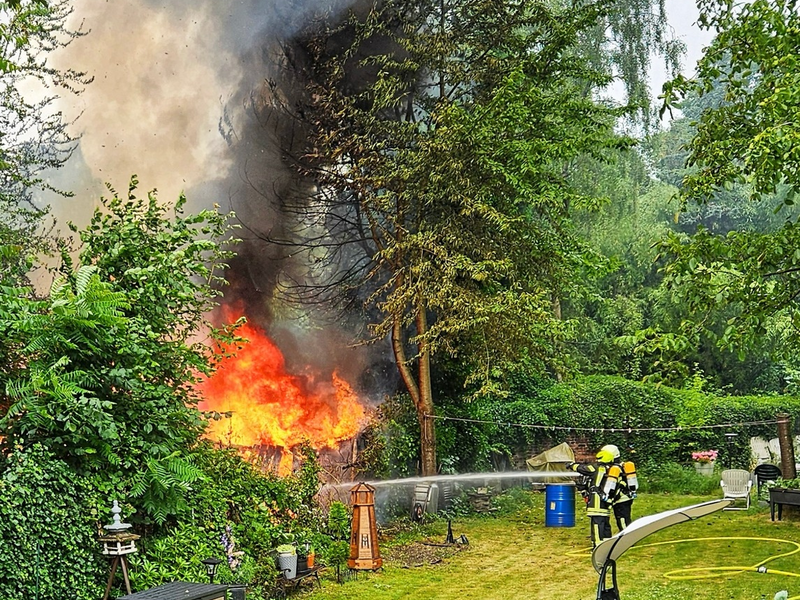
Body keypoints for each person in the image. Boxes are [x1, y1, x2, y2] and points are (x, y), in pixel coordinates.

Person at [568, 449, 613, 548]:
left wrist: (571, 465)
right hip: (606, 500)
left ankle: (598, 546)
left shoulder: (596, 468)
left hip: (597, 500)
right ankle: (608, 545)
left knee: (597, 524)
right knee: (605, 523)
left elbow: (582, 468)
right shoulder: (610, 469)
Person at [599, 444, 639, 532]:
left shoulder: (615, 469)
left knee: (622, 521)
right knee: (624, 519)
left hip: (620, 498)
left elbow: (610, 487)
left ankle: (627, 539)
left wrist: (606, 497)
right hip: (626, 497)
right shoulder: (622, 466)